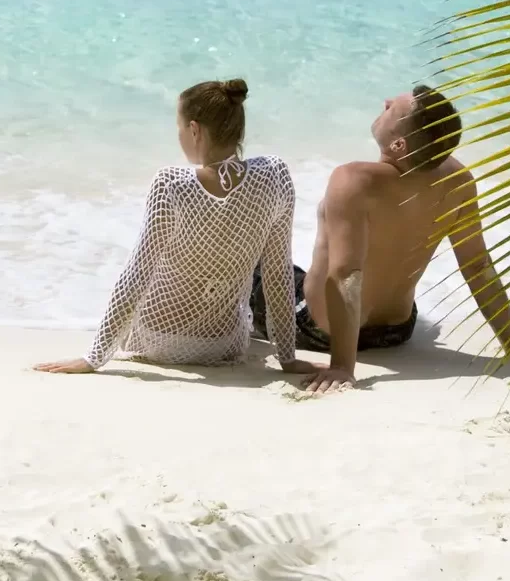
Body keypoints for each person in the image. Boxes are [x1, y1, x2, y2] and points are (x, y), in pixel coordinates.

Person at [251, 85, 510, 394]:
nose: (386, 102)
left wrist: (342, 366)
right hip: (398, 330)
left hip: (322, 331)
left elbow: (348, 275)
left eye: (392, 109)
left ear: (399, 145)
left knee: (252, 264)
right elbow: (477, 265)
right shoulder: (458, 180)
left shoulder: (354, 180)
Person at [35, 79, 315, 377]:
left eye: (179, 128)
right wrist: (287, 358)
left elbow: (137, 274)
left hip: (156, 341)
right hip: (223, 345)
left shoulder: (172, 183)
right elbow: (278, 273)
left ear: (194, 130)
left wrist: (93, 358)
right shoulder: (274, 176)